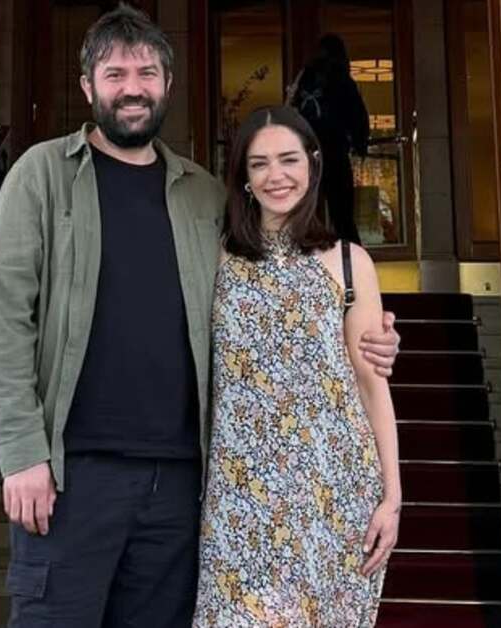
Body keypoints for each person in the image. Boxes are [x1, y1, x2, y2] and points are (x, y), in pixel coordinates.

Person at [0, 5, 400, 627]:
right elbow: (1, 319)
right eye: (115, 74)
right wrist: (20, 454)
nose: (133, 88)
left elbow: (276, 297)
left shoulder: (201, 194)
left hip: (179, 482)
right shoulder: (42, 175)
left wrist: (369, 332)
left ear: (167, 84)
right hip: (72, 474)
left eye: (146, 72)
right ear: (88, 86)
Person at [192, 106, 401, 626]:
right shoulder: (215, 259)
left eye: (288, 159)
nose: (275, 175)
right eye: (259, 163)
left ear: (313, 163)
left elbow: (371, 382)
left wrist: (392, 496)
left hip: (335, 489)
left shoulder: (350, 262)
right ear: (243, 176)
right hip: (239, 496)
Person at [288, 34, 371, 245]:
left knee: (305, 210)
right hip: (334, 150)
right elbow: (357, 115)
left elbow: (292, 107)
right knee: (342, 214)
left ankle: (306, 252)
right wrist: (360, 144)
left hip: (306, 150)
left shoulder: (306, 77)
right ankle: (349, 255)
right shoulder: (342, 79)